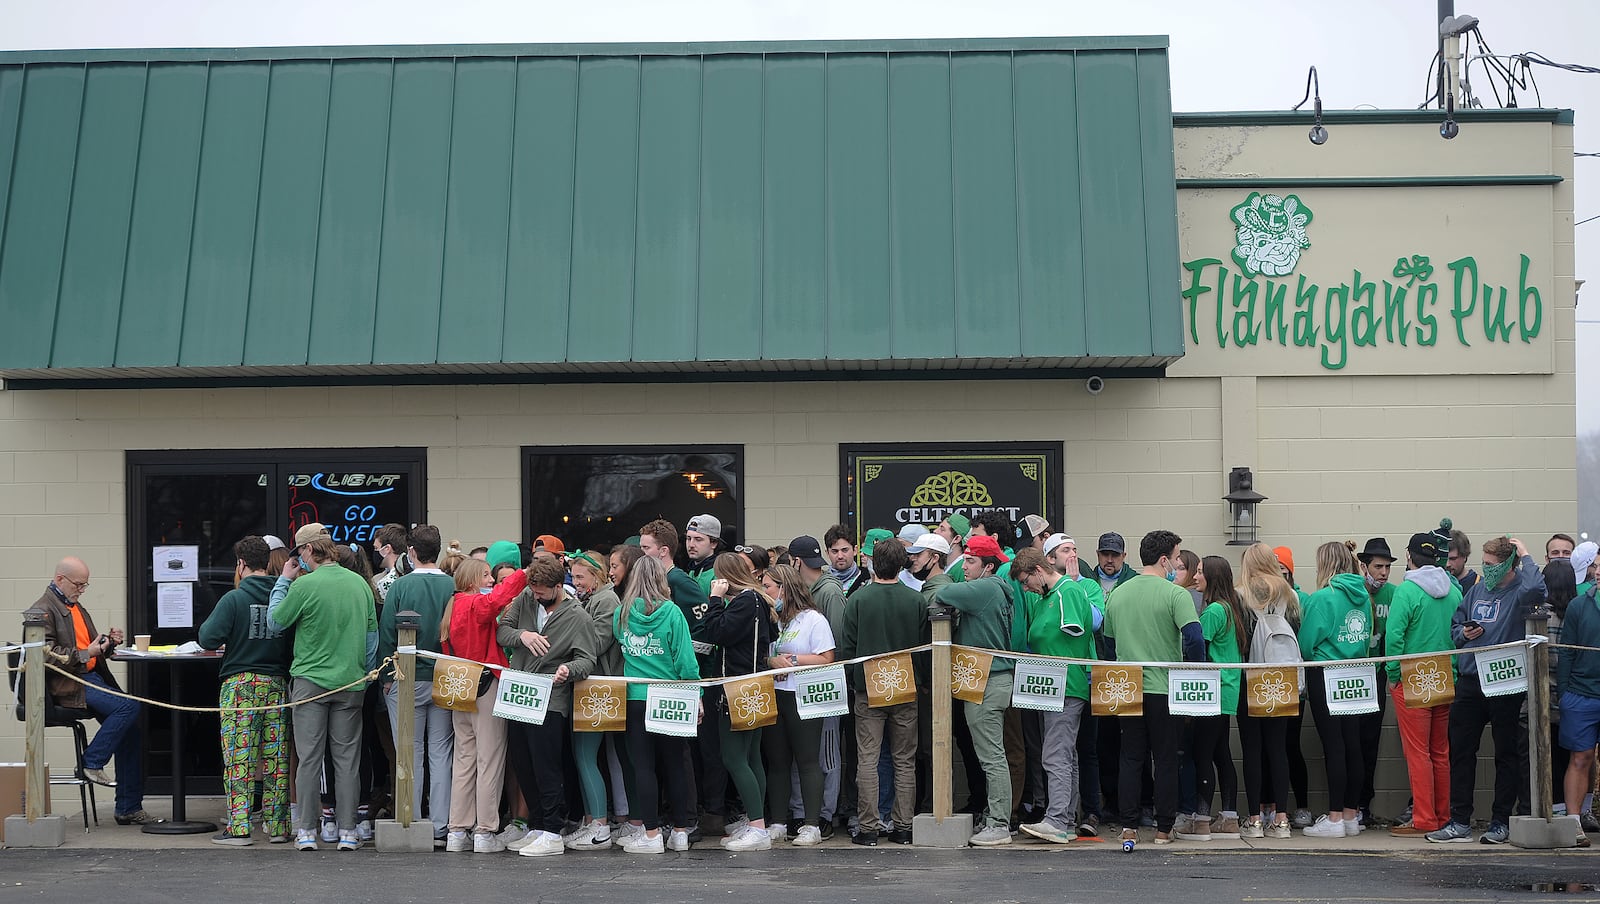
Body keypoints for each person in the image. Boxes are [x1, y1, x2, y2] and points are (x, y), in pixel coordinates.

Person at [268, 522, 379, 852]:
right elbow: (371, 640)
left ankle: (306, 831)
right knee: (347, 761)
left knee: (309, 760)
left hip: (310, 681)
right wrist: (363, 673)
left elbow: (276, 622)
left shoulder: (303, 586)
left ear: (305, 551)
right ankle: (348, 831)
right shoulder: (359, 584)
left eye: (297, 553)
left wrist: (283, 581)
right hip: (351, 681)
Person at [1431, 536, 1544, 844]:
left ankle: (1500, 821)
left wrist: (1526, 554)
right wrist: (1464, 633)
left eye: (1493, 564)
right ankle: (1459, 821)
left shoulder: (1521, 589)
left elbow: (1537, 590)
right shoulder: (1476, 589)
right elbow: (1455, 629)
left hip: (1504, 682)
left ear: (1509, 564)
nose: (1487, 569)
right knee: (1461, 751)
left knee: (1506, 753)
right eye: (1484, 562)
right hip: (1470, 680)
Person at [1102, 530, 1204, 846]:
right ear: (1163, 560)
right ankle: (1163, 829)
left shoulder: (1117, 593)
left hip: (1128, 687)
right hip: (1164, 687)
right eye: (1176, 558)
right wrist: (1193, 672)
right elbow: (1195, 639)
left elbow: (1108, 644)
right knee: (1166, 758)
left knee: (1131, 758)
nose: (1177, 564)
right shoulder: (1176, 595)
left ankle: (1129, 826)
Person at [35, 556, 152, 825]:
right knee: (129, 706)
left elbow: (89, 649)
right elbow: (45, 655)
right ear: (60, 579)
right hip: (70, 684)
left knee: (131, 730)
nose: (82, 589)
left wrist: (108, 644)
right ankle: (92, 762)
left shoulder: (73, 606)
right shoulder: (42, 610)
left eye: (85, 585)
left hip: (88, 678)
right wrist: (89, 651)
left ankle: (128, 807)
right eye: (78, 584)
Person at [494, 556, 597, 857]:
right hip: (519, 692)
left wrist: (568, 670)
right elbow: (502, 631)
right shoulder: (526, 597)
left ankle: (553, 830)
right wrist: (522, 635)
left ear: (557, 586)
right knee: (523, 762)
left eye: (541, 591)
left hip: (551, 697)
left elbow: (587, 659)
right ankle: (538, 825)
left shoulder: (578, 616)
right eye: (533, 590)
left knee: (546, 764)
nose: (535, 595)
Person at [199, 536, 294, 845]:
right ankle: (277, 827)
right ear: (267, 563)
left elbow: (208, 638)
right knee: (276, 758)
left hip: (239, 685)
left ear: (240, 564)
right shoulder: (284, 596)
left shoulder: (234, 599)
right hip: (277, 685)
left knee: (240, 758)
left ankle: (239, 828)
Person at [838, 538, 930, 846]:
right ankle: (903, 827)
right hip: (906, 685)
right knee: (905, 758)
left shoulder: (858, 600)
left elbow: (848, 648)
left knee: (868, 758)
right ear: (903, 564)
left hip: (868, 686)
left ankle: (869, 828)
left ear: (874, 564)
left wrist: (854, 681)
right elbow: (924, 648)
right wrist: (922, 680)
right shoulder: (916, 600)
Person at [931, 534, 1018, 846]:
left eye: (971, 561)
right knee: (991, 756)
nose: (964, 566)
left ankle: (999, 825)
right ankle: (994, 817)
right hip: (986, 679)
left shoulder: (984, 587)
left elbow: (944, 591)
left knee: (992, 758)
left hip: (988, 680)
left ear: (989, 566)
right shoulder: (993, 588)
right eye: (965, 559)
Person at [612, 554, 701, 854]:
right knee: (675, 765)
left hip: (635, 697)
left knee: (643, 769)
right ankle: (679, 832)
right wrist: (696, 696)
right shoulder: (673, 613)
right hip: (671, 697)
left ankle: (650, 834)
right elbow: (686, 663)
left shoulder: (621, 614)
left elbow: (621, 646)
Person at [640, 519, 723, 835]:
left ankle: (701, 814)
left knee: (693, 754)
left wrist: (678, 653)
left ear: (661, 551)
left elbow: (705, 635)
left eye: (645, 549)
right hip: (665, 682)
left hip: (691, 680)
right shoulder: (670, 581)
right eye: (687, 538)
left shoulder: (682, 583)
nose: (641, 554)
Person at [376, 524, 456, 845]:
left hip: (405, 677)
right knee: (441, 753)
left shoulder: (400, 586)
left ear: (410, 552)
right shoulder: (453, 585)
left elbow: (386, 634)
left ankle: (412, 820)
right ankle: (439, 826)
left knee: (409, 752)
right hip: (445, 676)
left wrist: (385, 676)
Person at [1012, 547, 1094, 844]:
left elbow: (1075, 631)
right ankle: (1067, 819)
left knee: (1055, 754)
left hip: (1065, 686)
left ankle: (1057, 819)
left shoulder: (1066, 592)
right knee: (1064, 756)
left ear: (1038, 571)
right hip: (1051, 687)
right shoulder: (1046, 597)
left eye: (1026, 581)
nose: (1026, 588)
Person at [1383, 528, 1461, 838]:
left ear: (1409, 557)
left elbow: (1395, 637)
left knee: (1418, 753)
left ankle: (1424, 818)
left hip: (1413, 677)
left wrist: (1392, 676)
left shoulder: (1407, 591)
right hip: (1445, 676)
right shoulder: (1454, 590)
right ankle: (1442, 816)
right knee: (1440, 751)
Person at [703, 553, 778, 851]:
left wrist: (715, 599)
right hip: (755, 685)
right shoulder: (758, 600)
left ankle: (758, 827)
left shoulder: (746, 600)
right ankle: (754, 821)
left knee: (734, 758)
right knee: (751, 757)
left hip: (738, 687)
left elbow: (716, 632)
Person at [1298, 541, 1372, 839]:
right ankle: (1352, 815)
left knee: (1334, 746)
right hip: (1357, 674)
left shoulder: (1321, 598)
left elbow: (1305, 645)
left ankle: (1334, 817)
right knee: (1353, 744)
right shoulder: (1363, 597)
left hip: (1327, 673)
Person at [760, 563, 836, 846]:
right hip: (775, 693)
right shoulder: (772, 620)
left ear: (784, 588)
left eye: (768, 586)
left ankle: (812, 824)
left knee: (807, 760)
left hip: (802, 695)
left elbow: (826, 657)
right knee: (777, 761)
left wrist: (791, 661)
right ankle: (779, 821)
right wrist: (770, 662)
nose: (764, 591)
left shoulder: (813, 620)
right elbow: (765, 655)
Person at [565, 549, 631, 851]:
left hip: (599, 686)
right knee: (587, 757)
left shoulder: (605, 600)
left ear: (596, 574)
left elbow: (597, 642)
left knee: (586, 756)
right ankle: (594, 821)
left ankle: (599, 827)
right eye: (574, 576)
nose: (576, 581)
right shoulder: (596, 599)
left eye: (581, 576)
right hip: (593, 686)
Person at [1236, 542, 1301, 839]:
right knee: (1279, 749)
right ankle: (1282, 820)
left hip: (1253, 676)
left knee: (1252, 749)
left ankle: (1255, 820)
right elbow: (1296, 630)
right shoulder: (1290, 594)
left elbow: (1240, 639)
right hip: (1283, 677)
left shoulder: (1241, 595)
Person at [1177, 555, 1244, 842]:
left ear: (1213, 578)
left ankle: (1201, 819)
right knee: (1221, 754)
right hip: (1228, 690)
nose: (1196, 577)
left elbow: (1197, 650)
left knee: (1202, 754)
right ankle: (1229, 817)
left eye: (1201, 573)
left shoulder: (1213, 612)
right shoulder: (1232, 608)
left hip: (1212, 692)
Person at [1556, 562, 1600, 847]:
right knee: (1580, 758)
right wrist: (1564, 695)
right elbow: (1566, 653)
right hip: (1581, 695)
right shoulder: (1578, 606)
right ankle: (1574, 823)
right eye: (1598, 565)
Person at [685, 514, 725, 596]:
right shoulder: (691, 570)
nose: (691, 544)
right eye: (688, 538)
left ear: (713, 543)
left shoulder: (720, 574)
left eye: (698, 539)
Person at [825, 525, 870, 597]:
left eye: (845, 550)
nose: (840, 556)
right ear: (827, 553)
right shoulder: (820, 582)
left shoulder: (868, 579)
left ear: (855, 550)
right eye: (835, 551)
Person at [372, 523, 408, 603]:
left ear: (387, 548)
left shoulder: (384, 582)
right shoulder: (376, 579)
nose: (375, 552)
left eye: (376, 548)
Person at [1448, 530, 1479, 595]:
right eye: (1444, 559)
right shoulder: (1438, 585)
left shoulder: (1478, 585)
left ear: (1464, 556)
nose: (1447, 564)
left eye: (1453, 559)